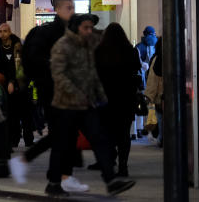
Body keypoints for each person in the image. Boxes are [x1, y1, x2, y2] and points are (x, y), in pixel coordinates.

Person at [47, 14, 134, 197]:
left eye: (90, 28)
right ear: (76, 28)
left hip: (86, 105)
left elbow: (93, 74)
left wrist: (100, 96)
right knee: (62, 145)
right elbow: (59, 75)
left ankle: (110, 181)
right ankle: (54, 182)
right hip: (66, 105)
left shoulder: (88, 47)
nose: (89, 31)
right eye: (86, 28)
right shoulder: (63, 46)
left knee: (100, 140)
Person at [9, 0, 74, 186]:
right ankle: (52, 174)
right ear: (59, 9)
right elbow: (37, 60)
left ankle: (60, 177)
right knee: (61, 132)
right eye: (69, 8)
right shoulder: (49, 32)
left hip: (60, 89)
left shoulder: (65, 31)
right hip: (51, 89)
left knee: (64, 133)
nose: (72, 11)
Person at [95, 23, 142, 178]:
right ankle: (123, 165)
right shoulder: (131, 51)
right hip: (126, 98)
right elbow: (137, 69)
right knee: (124, 134)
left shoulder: (100, 51)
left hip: (106, 99)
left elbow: (95, 74)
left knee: (107, 132)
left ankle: (110, 160)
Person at [0, 23, 33, 148]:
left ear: (10, 32)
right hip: (6, 86)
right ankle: (14, 139)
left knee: (26, 113)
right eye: (0, 31)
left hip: (21, 84)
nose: (2, 34)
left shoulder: (18, 46)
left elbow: (21, 67)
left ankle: (29, 139)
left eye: (5, 31)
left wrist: (14, 81)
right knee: (12, 115)